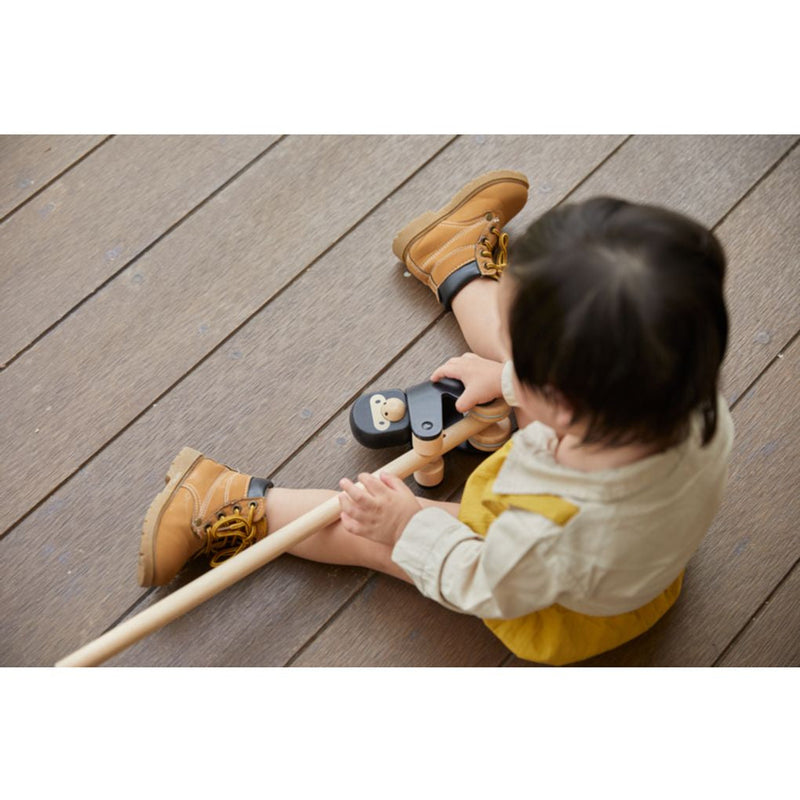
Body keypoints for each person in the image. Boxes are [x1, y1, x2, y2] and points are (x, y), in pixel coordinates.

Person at [137, 170, 734, 665]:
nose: (514, 361)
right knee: (510, 350)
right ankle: (450, 253)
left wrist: (405, 528)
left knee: (376, 529)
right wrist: (507, 376)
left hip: (546, 590)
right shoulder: (681, 395)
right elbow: (566, 374)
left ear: (562, 403)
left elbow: (481, 579)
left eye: (526, 364)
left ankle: (233, 502)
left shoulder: (544, 537)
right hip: (629, 545)